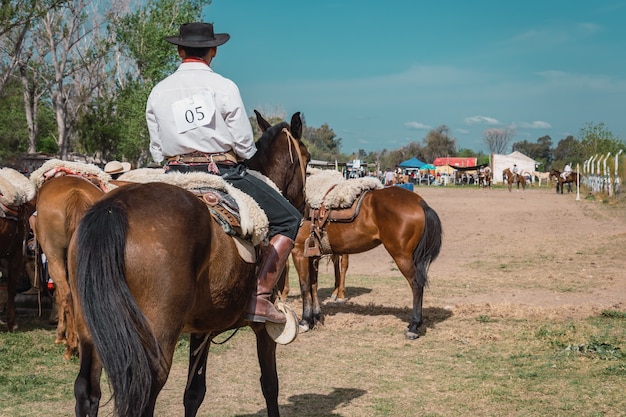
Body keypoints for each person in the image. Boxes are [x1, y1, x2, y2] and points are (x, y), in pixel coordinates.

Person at [146, 22, 302, 324]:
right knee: (289, 219)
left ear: (179, 50)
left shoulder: (158, 91)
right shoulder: (225, 87)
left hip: (172, 172)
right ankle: (259, 297)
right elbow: (245, 146)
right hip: (222, 173)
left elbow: (156, 150)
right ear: (213, 51)